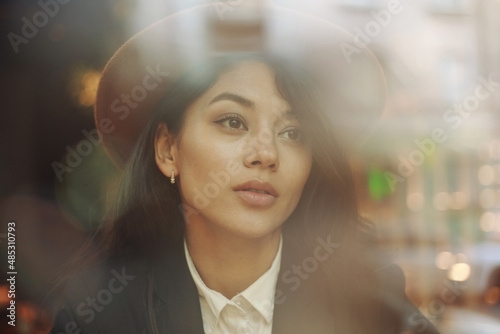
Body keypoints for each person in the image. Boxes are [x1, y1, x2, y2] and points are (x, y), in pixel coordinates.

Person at [50, 4, 440, 334]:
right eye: (233, 122)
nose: (265, 154)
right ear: (168, 149)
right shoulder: (100, 311)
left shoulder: (366, 296)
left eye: (292, 132)